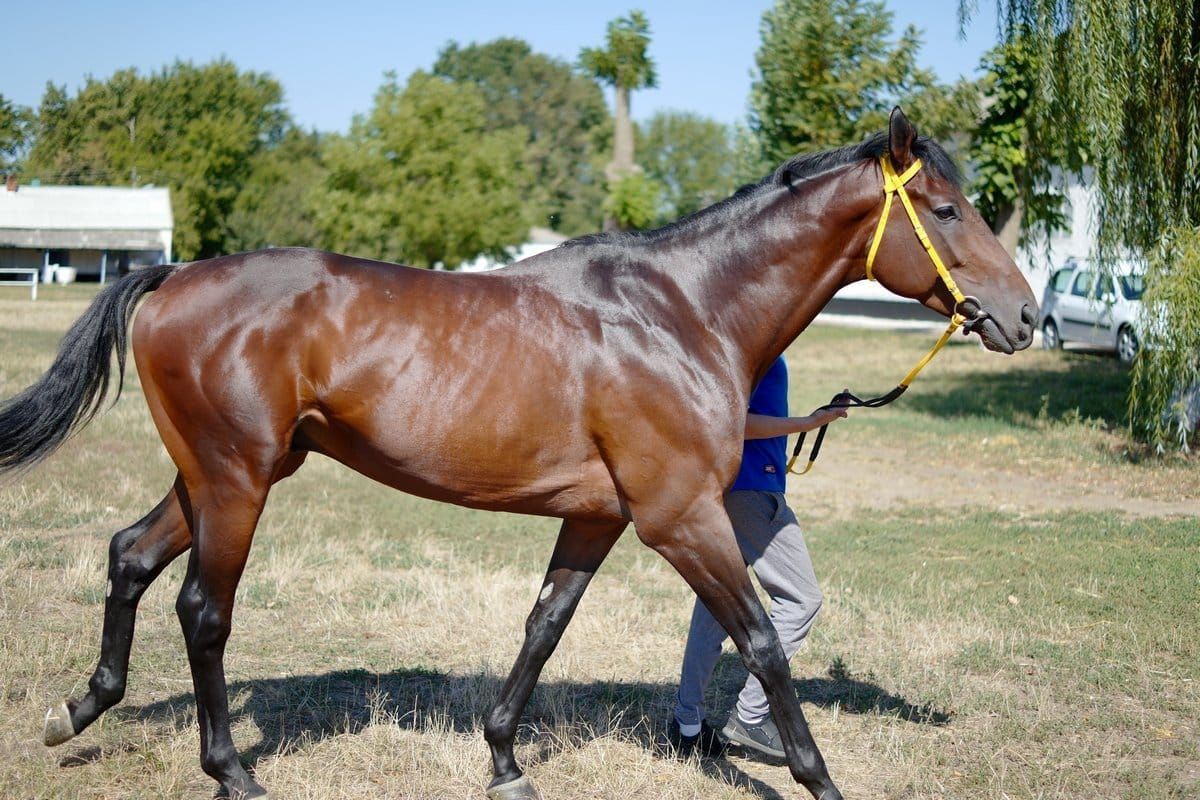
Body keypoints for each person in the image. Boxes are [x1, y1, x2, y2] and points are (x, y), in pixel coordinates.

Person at [668, 355, 848, 759]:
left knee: (716, 606)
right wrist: (808, 423)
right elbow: (736, 423)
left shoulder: (746, 345)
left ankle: (687, 723)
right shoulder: (755, 350)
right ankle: (751, 716)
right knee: (802, 600)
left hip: (729, 488)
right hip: (751, 493)